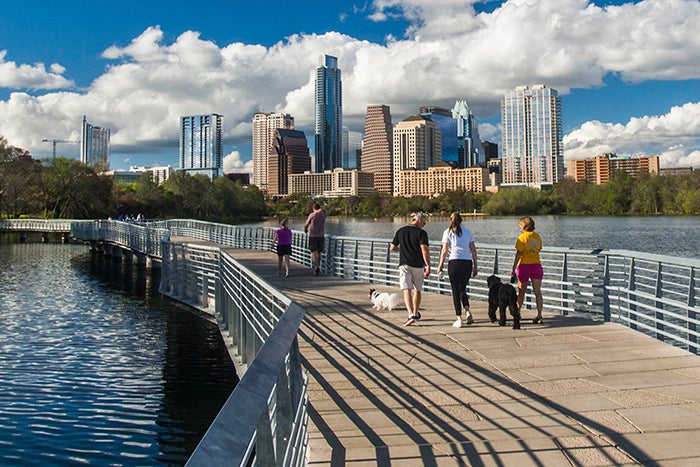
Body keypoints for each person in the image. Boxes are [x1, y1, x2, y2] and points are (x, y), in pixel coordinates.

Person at [437, 212, 479, 328]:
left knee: (456, 290)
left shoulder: (448, 232)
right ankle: (467, 310)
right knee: (462, 288)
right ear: (461, 221)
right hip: (467, 262)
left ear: (450, 221)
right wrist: (475, 265)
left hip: (454, 262)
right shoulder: (467, 232)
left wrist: (440, 265)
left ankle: (459, 318)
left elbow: (445, 250)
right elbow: (473, 250)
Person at [390, 212, 431, 326]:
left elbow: (392, 247)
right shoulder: (422, 233)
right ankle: (415, 312)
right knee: (417, 289)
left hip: (404, 264)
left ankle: (410, 314)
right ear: (418, 221)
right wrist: (428, 265)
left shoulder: (401, 231)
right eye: (424, 222)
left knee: (406, 290)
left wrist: (401, 251)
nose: (424, 224)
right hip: (418, 265)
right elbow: (424, 250)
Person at [510, 216, 544, 324]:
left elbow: (519, 254)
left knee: (521, 292)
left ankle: (518, 313)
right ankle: (539, 315)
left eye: (520, 225)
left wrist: (513, 267)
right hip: (536, 265)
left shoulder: (522, 238)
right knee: (537, 292)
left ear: (524, 226)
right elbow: (539, 249)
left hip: (524, 266)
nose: (519, 228)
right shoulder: (537, 237)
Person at [304, 203, 327, 276]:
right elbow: (325, 211)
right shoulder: (323, 215)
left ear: (313, 208)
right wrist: (322, 210)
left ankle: (316, 266)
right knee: (319, 252)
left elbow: (306, 224)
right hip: (321, 236)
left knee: (313, 252)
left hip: (313, 236)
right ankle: (318, 266)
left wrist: (305, 229)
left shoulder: (312, 215)